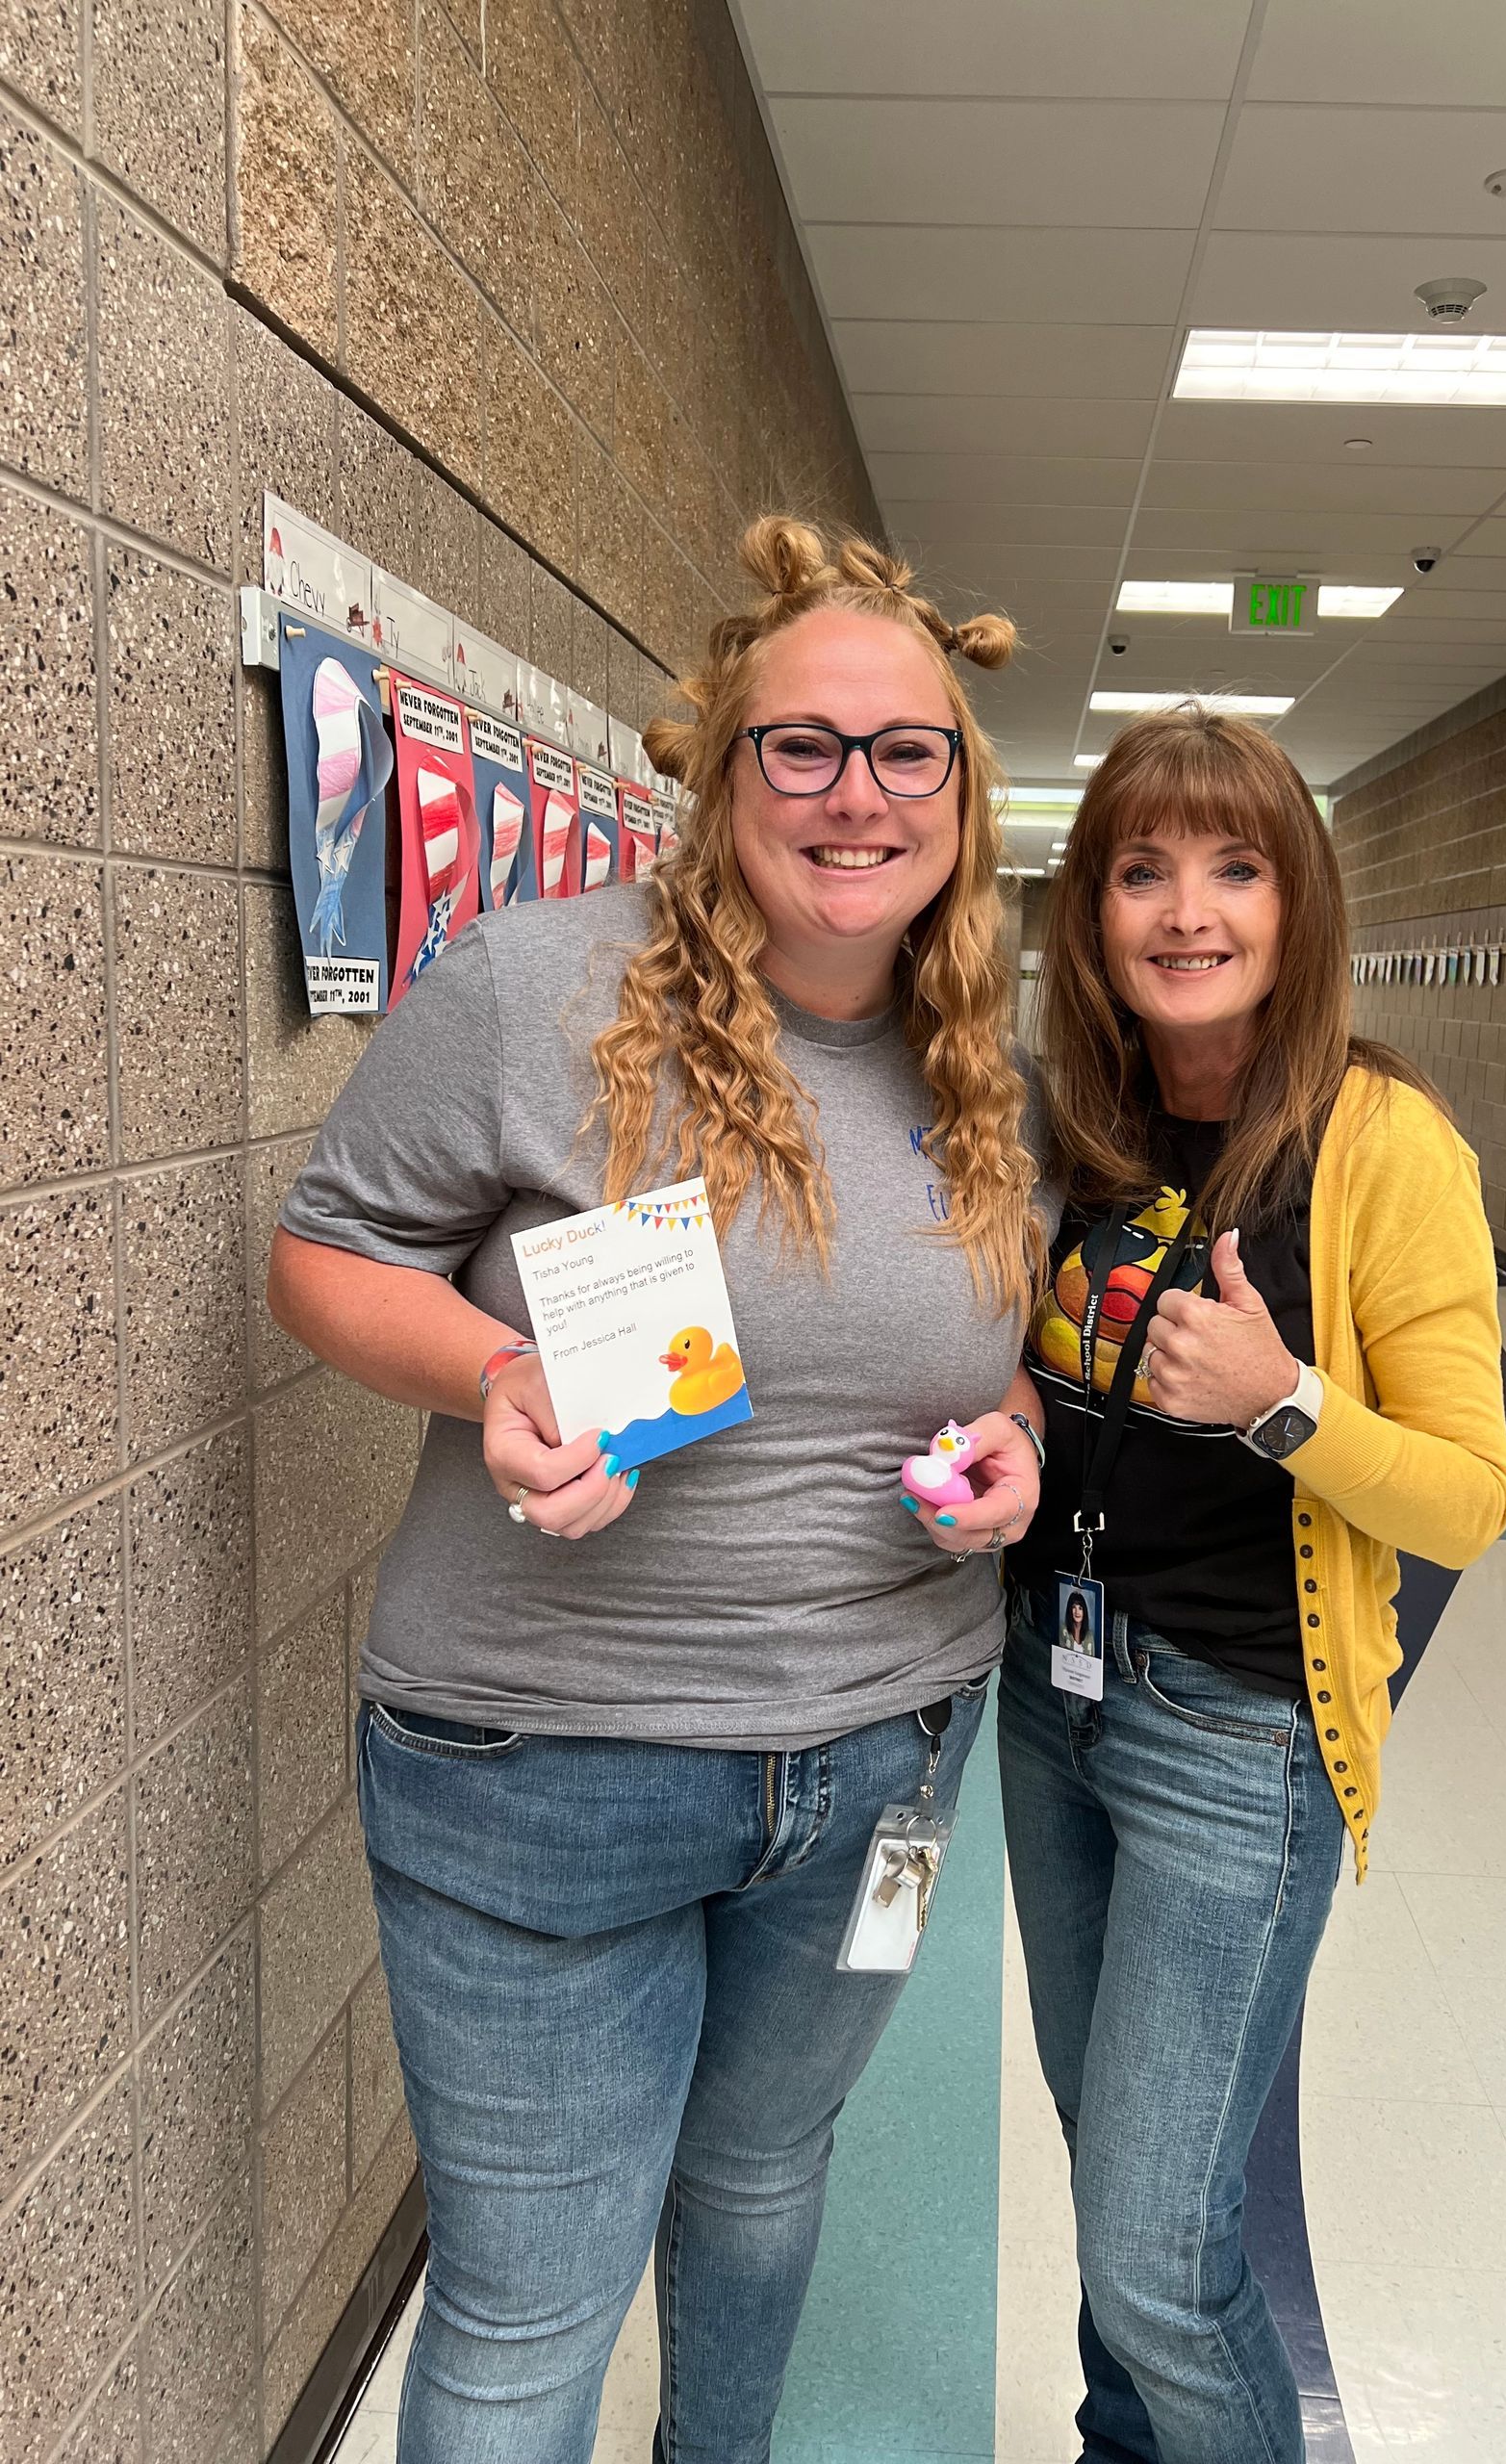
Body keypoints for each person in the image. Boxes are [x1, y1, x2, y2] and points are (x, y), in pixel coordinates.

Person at [268, 517, 1054, 2464]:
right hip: (547, 1755)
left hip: (885, 1758)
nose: (854, 794)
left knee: (770, 2178)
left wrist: (1016, 1437)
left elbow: (986, 1339)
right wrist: (503, 1372)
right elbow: (325, 1249)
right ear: (716, 774)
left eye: (905, 751)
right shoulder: (534, 988)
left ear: (961, 789)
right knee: (534, 2301)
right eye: (801, 744)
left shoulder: (989, 1068)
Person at [1000, 705, 1506, 2464]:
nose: (1188, 908)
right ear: (1090, 914)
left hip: (1237, 1740)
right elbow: (1035, 1371)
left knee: (1156, 2248)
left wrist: (1283, 1406)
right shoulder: (1081, 1126)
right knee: (1120, 2180)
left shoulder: (1383, 1145)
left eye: (1237, 866)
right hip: (1048, 1704)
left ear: (1300, 907)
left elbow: (1471, 1492)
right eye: (1141, 868)